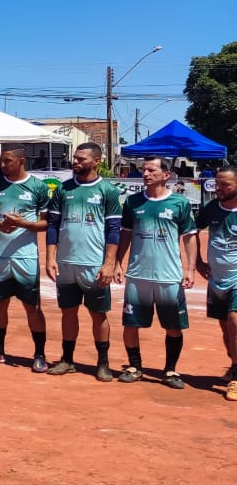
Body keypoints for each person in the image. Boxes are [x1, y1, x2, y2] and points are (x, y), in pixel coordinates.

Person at [114, 156, 198, 389]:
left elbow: (190, 237)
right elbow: (126, 234)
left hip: (168, 275)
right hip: (138, 274)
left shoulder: (179, 203)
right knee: (131, 324)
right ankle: (135, 366)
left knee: (173, 326)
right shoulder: (133, 202)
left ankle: (170, 370)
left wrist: (189, 268)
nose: (146, 174)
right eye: (144, 170)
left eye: (151, 170)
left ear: (166, 175)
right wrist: (118, 262)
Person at [44, 142, 123, 381]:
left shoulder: (107, 191)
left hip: (93, 264)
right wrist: (50, 257)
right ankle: (67, 359)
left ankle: (103, 363)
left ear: (96, 161)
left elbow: (113, 230)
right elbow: (52, 225)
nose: (75, 162)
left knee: (98, 314)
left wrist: (109, 263)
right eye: (74, 158)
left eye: (81, 159)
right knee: (67, 312)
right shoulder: (62, 189)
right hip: (66, 263)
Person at [0, 144, 54, 372]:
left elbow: (48, 223)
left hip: (25, 257)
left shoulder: (37, 187)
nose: (1, 165)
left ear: (21, 161)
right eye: (1, 161)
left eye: (7, 161)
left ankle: (39, 354)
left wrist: (24, 224)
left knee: (32, 307)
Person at [195, 165, 237, 401]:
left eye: (225, 185)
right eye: (216, 184)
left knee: (235, 321)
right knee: (225, 327)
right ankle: (234, 362)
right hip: (216, 278)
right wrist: (199, 262)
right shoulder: (211, 208)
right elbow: (191, 232)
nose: (218, 189)